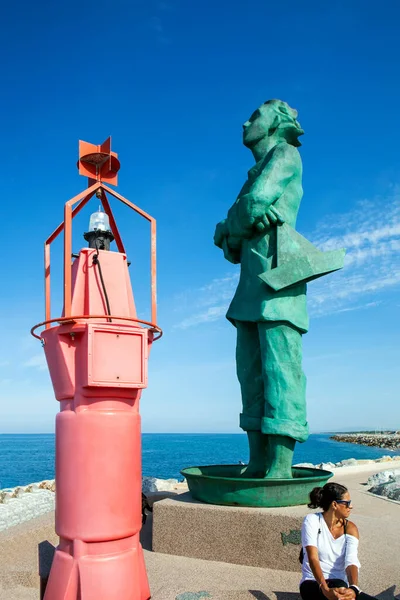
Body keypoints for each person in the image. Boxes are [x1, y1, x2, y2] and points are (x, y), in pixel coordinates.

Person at [300, 482, 375, 600]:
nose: (351, 507)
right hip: (314, 583)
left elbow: (351, 561)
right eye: (347, 503)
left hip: (341, 586)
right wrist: (325, 589)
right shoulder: (312, 521)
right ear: (334, 504)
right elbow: (312, 557)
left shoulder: (350, 528)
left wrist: (354, 588)